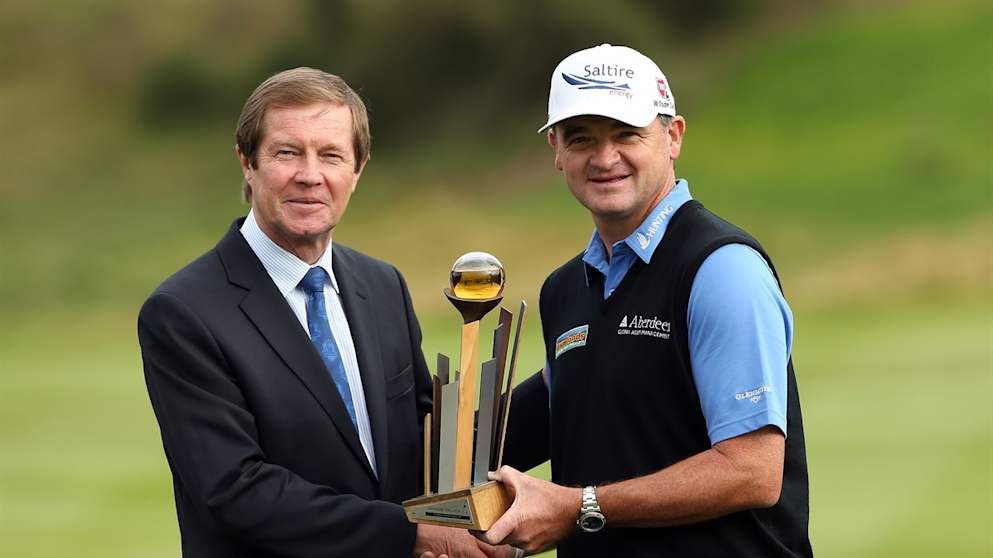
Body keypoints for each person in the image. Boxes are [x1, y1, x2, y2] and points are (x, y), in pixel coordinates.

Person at [138, 67, 510, 558]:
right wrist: (412, 533)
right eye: (287, 152)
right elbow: (236, 490)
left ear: (357, 170)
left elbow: (425, 446)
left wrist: (563, 384)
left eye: (331, 155)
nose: (310, 175)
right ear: (247, 162)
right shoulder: (184, 313)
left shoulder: (382, 287)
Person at [484, 45, 813, 557]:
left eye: (626, 134)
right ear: (556, 149)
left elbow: (752, 471)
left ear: (673, 135)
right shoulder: (565, 289)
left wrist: (578, 507)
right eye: (581, 139)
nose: (604, 157)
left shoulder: (720, 267)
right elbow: (567, 405)